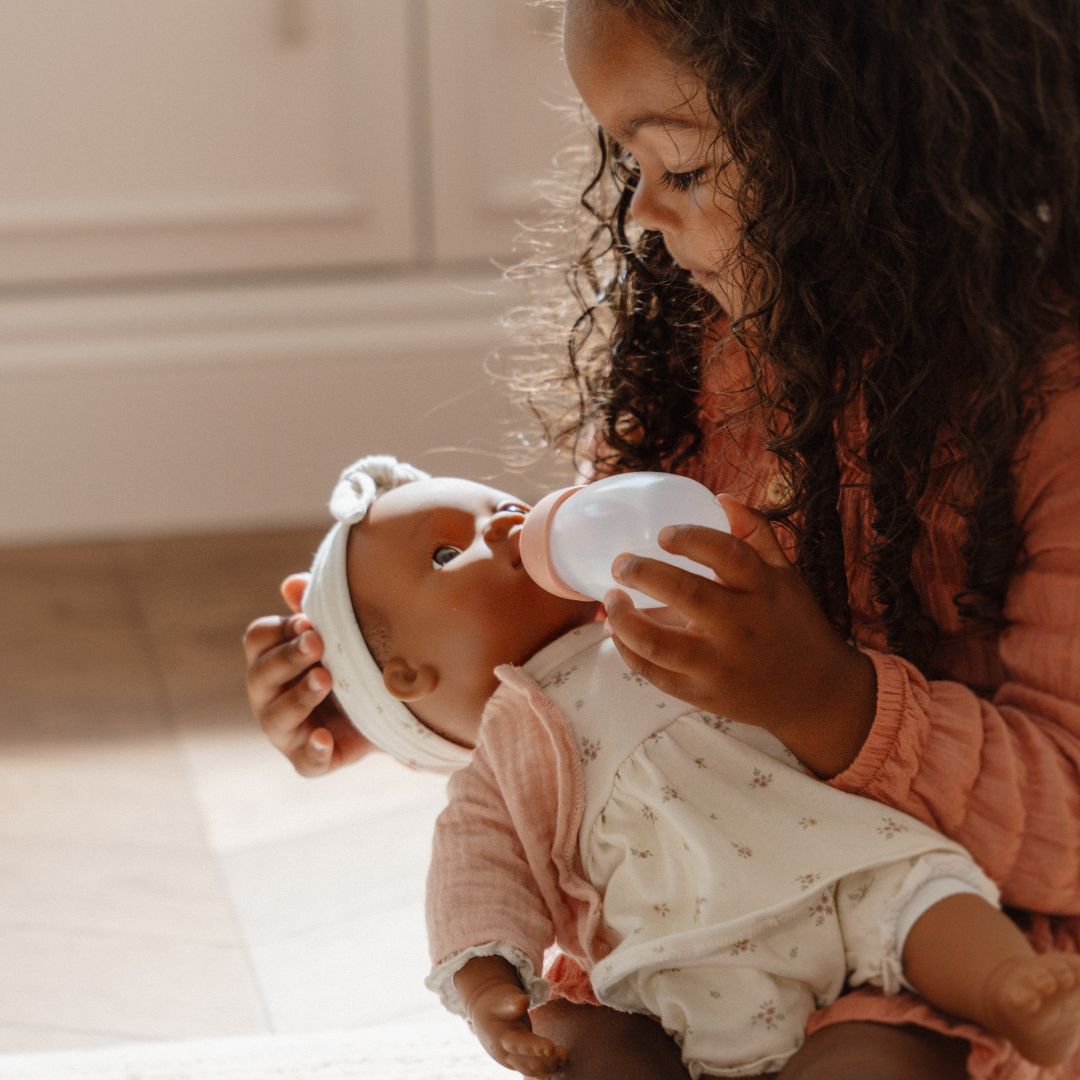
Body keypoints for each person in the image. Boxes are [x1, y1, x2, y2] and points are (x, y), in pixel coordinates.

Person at [243, 2, 1080, 1075]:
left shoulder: (1043, 406)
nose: (638, 213)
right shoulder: (687, 365)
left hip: (946, 937)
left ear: (882, 143)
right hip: (697, 930)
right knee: (580, 1040)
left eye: (680, 169)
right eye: (623, 162)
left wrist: (833, 702)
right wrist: (405, 697)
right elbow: (593, 688)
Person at [293, 453, 1077, 1079]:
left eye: (496, 501)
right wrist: (489, 986)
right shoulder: (505, 751)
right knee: (588, 1045)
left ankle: (1013, 989)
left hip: (839, 857)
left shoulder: (649, 609)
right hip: (680, 950)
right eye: (446, 549)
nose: (503, 523)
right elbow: (475, 870)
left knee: (924, 903)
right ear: (407, 679)